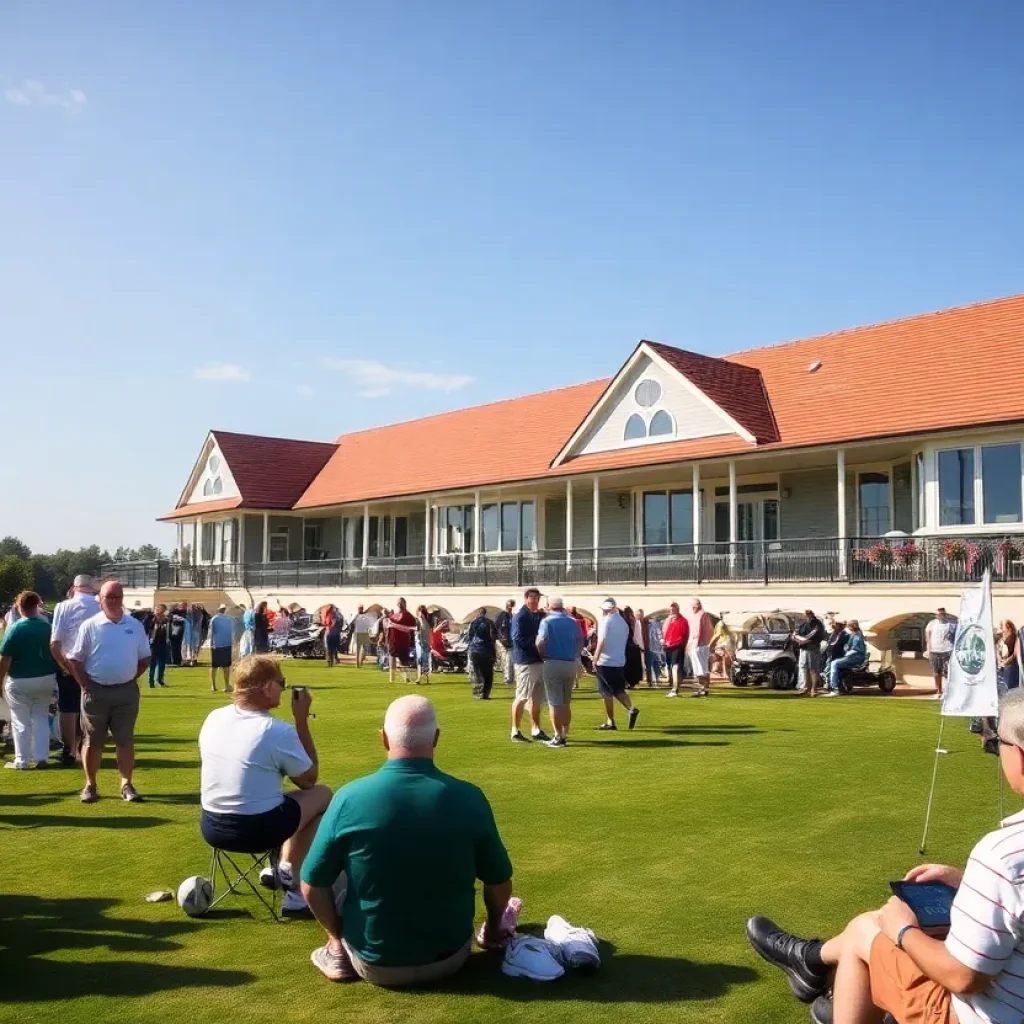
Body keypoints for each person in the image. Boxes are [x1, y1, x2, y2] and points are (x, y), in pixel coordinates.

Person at [747, 686, 1024, 1024]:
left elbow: (964, 978)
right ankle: (811, 964)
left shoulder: (1003, 855)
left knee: (869, 929)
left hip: (980, 1015)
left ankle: (815, 968)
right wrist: (968, 882)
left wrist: (904, 931)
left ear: (1019, 757)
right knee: (872, 929)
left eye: (997, 744)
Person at [301, 695, 514, 985]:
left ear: (384, 738)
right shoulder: (470, 797)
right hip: (452, 958)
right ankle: (489, 932)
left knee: (330, 871)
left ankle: (336, 946)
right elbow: (499, 879)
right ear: (436, 738)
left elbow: (311, 884)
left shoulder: (349, 798)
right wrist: (491, 929)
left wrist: (336, 931)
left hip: (372, 963)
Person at [199, 655, 332, 915]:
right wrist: (301, 720)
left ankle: (279, 866)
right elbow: (308, 779)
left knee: (277, 798)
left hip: (212, 826)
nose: (283, 688)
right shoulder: (275, 730)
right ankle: (291, 884)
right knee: (322, 795)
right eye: (280, 682)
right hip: (255, 830)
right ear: (267, 687)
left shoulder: (213, 717)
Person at [67, 580, 152, 803]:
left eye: (117, 596)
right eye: (109, 597)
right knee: (93, 741)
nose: (114, 601)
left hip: (126, 692)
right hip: (96, 692)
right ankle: (90, 785)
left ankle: (126, 784)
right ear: (100, 600)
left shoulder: (135, 625)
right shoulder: (90, 625)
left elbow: (145, 658)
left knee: (125, 740)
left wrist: (129, 678)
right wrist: (85, 685)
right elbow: (75, 660)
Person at [0, 591, 58, 769]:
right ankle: (41, 757)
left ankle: (22, 760)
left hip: (20, 680)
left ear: (20, 606)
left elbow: (5, 657)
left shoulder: (16, 628)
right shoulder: (48, 627)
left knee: (20, 720)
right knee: (40, 717)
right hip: (46, 677)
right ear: (37, 605)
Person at [49, 574, 101, 765]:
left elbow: (55, 642)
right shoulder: (99, 605)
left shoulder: (64, 606)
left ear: (74, 587)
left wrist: (64, 666)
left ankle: (69, 749)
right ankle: (87, 746)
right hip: (94, 664)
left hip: (70, 662)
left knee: (68, 708)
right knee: (91, 708)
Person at [536, 597, 583, 747]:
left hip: (552, 661)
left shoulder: (547, 621)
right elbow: (580, 641)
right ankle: (565, 732)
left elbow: (540, 641)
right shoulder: (572, 621)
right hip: (570, 663)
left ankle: (558, 736)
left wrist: (541, 655)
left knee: (554, 702)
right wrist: (575, 655)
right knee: (565, 701)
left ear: (550, 607)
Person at [510, 588, 550, 743]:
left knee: (536, 698)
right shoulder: (521, 616)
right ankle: (515, 731)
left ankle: (536, 729)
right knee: (521, 697)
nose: (535, 601)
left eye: (537, 598)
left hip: (537, 661)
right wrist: (538, 642)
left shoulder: (535, 615)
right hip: (526, 661)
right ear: (526, 598)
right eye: (532, 598)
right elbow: (518, 639)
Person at [594, 598, 640, 731]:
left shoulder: (606, 621)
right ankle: (616, 717)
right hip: (619, 660)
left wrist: (595, 657)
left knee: (608, 692)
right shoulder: (623, 623)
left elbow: (602, 640)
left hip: (605, 661)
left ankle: (625, 712)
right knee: (617, 689)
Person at [825, 619, 867, 696]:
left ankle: (835, 688)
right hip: (854, 656)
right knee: (834, 664)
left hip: (856, 657)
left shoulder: (857, 636)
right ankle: (839, 686)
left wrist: (846, 654)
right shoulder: (854, 634)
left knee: (835, 663)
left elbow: (855, 649)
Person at [793, 609, 827, 697]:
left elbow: (811, 636)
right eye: (806, 613)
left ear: (812, 614)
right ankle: (806, 688)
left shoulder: (817, 623)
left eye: (809, 613)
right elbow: (797, 633)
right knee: (804, 668)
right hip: (804, 648)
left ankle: (813, 689)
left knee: (813, 669)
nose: (807, 615)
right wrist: (796, 638)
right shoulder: (804, 624)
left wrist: (801, 640)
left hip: (812, 648)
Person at [466, 608, 497, 699]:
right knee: (488, 673)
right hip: (486, 650)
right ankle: (485, 693)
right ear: (485, 613)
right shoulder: (490, 622)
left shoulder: (473, 623)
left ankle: (478, 693)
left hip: (474, 650)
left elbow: (470, 637)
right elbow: (493, 638)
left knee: (477, 672)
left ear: (478, 613)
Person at [925, 607, 955, 701]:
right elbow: (928, 637)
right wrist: (928, 649)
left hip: (947, 650)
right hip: (935, 651)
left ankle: (947, 692)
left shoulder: (950, 624)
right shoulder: (932, 624)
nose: (941, 615)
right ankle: (938, 691)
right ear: (936, 615)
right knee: (936, 672)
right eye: (939, 614)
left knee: (947, 672)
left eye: (943, 614)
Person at [687, 599, 714, 697]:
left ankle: (701, 689)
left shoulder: (699, 616)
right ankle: (705, 689)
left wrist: (693, 645)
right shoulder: (705, 615)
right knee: (704, 669)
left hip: (698, 645)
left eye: (694, 606)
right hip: (704, 645)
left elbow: (698, 631)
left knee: (699, 669)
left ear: (698, 605)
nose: (693, 608)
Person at [387, 599, 417, 685]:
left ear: (404, 604)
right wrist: (388, 616)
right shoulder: (394, 615)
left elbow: (412, 626)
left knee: (404, 661)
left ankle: (407, 678)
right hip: (393, 640)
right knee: (392, 659)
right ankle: (391, 678)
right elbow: (389, 623)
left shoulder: (408, 616)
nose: (399, 605)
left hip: (403, 641)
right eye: (398, 603)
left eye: (401, 603)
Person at [663, 603, 690, 697]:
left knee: (675, 667)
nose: (671, 611)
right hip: (669, 646)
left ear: (677, 609)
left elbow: (685, 635)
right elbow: (667, 633)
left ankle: (675, 688)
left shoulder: (683, 621)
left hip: (678, 646)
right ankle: (675, 688)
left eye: (673, 609)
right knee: (672, 666)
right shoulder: (670, 620)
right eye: (670, 610)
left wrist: (682, 645)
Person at [209, 604, 236, 692]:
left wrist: (211, 644)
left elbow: (211, 633)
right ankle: (227, 685)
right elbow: (233, 632)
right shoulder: (229, 619)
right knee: (226, 667)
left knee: (214, 666)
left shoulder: (214, 619)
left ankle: (213, 686)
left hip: (217, 645)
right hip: (227, 644)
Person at [147, 604, 171, 689]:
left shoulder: (167, 619)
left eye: (160, 608)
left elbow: (169, 631)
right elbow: (147, 629)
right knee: (152, 664)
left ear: (164, 610)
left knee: (162, 664)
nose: (158, 610)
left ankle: (160, 681)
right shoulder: (151, 618)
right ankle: (151, 682)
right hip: (153, 643)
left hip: (163, 644)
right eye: (157, 608)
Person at [621, 607, 644, 689]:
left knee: (626, 666)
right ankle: (632, 683)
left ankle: (626, 682)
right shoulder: (634, 622)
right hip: (633, 646)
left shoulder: (623, 623)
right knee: (633, 667)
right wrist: (640, 645)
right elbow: (637, 636)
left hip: (626, 646)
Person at [495, 599, 516, 686]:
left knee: (510, 660)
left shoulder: (511, 616)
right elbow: (501, 629)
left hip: (511, 640)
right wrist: (504, 641)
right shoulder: (504, 616)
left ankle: (510, 677)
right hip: (505, 642)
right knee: (507, 660)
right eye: (510, 606)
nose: (511, 607)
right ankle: (507, 678)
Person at [822, 615, 848, 682]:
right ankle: (829, 683)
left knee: (834, 670)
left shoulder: (843, 634)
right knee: (829, 669)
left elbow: (835, 644)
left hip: (837, 655)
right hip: (832, 655)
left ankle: (833, 684)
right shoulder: (834, 633)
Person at [414, 605, 432, 683]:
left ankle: (424, 678)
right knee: (421, 660)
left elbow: (422, 630)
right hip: (421, 642)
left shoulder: (424, 621)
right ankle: (421, 678)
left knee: (423, 660)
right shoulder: (420, 621)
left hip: (423, 642)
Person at [645, 614, 664, 686]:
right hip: (652, 647)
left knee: (655, 664)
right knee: (653, 664)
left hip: (655, 647)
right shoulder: (650, 625)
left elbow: (659, 635)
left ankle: (655, 679)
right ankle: (654, 679)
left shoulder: (655, 625)